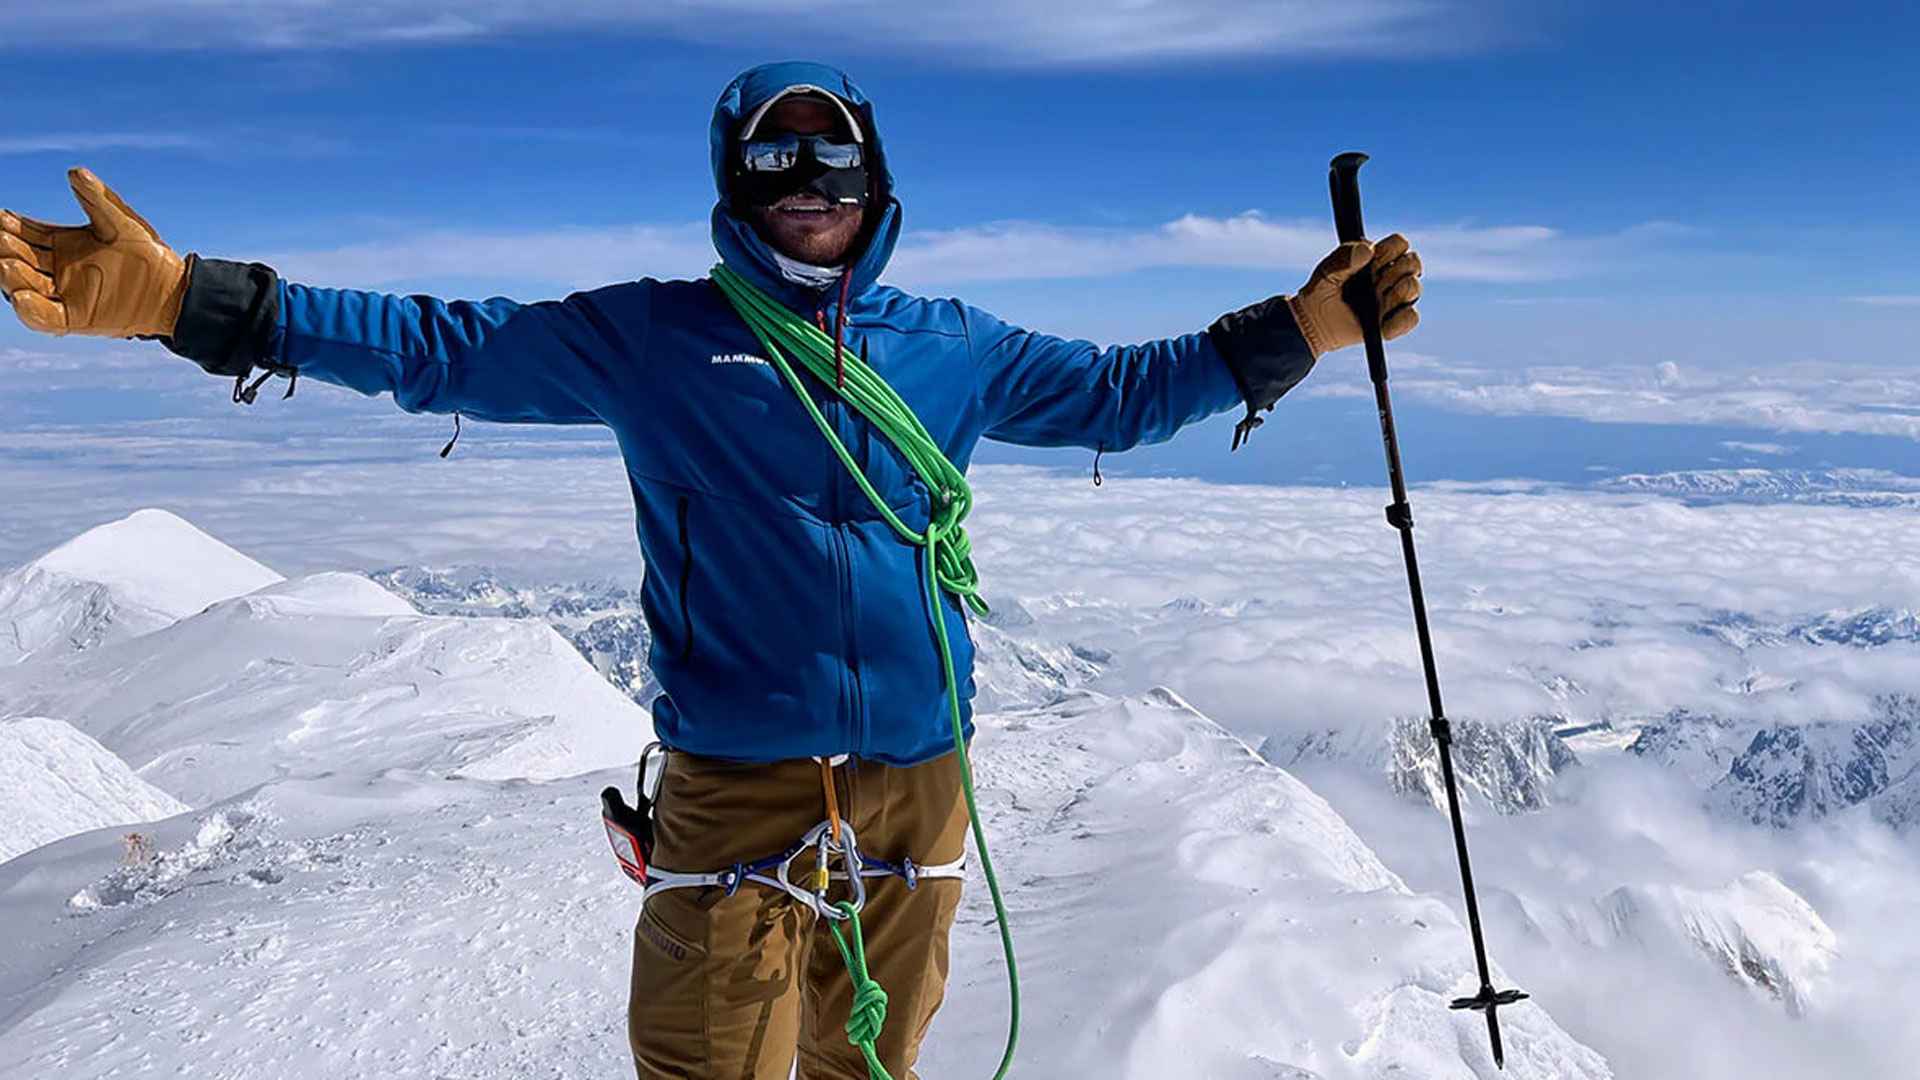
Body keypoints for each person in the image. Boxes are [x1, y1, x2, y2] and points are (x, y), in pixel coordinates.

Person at [0, 60, 1420, 1080]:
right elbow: (435, 341)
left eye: (834, 159)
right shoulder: (654, 337)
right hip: (737, 788)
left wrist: (1298, 328)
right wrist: (194, 301)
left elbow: (1126, 392)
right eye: (776, 160)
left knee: (876, 1059)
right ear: (736, 181)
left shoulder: (956, 345)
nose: (808, 186)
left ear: (876, 179)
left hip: (924, 776)